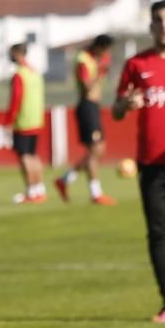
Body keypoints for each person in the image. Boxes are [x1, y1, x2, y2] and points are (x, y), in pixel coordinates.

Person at [113, 0, 165, 324]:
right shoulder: (136, 65)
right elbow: (117, 111)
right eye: (158, 19)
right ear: (151, 26)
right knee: (157, 234)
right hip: (151, 165)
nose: (164, 25)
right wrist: (126, 105)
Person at [56, 34, 117, 206]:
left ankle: (65, 179)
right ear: (98, 47)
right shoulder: (83, 60)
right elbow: (87, 85)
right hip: (86, 106)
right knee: (94, 150)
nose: (107, 53)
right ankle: (95, 193)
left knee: (99, 150)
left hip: (94, 106)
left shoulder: (100, 58)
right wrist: (101, 71)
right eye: (105, 49)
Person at [5, 43, 47, 204]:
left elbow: (16, 99)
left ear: (17, 53)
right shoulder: (35, 72)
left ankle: (31, 192)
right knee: (33, 156)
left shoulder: (19, 75)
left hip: (23, 121)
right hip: (36, 119)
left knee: (24, 157)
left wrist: (9, 121)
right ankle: (39, 190)